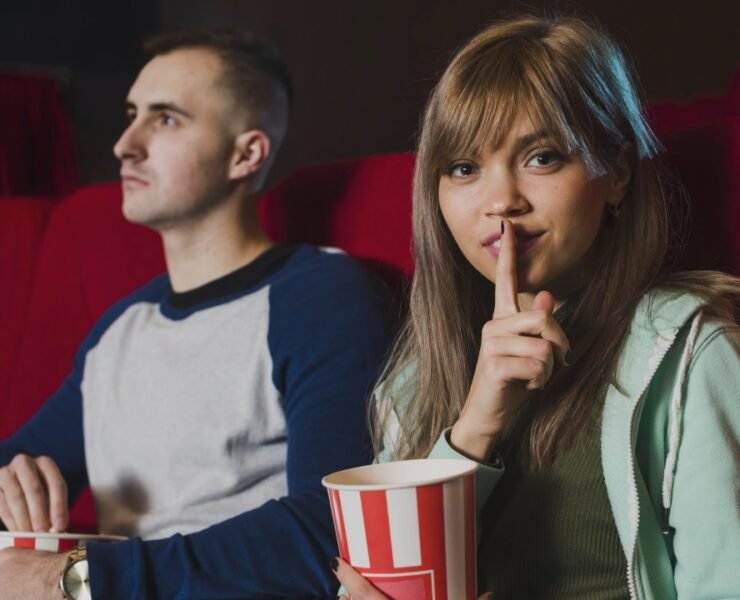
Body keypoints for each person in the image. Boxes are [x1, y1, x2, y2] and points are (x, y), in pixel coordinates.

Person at [335, 14, 740, 600]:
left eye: (542, 157)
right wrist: (474, 427)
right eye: (464, 168)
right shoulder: (411, 382)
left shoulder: (690, 350)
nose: (501, 200)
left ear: (617, 172)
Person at [0, 30, 396, 598]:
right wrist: (9, 484)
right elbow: (21, 457)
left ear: (246, 153)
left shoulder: (323, 297)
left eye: (165, 119)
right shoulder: (121, 327)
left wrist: (76, 580)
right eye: (131, 113)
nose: (124, 145)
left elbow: (329, 528)